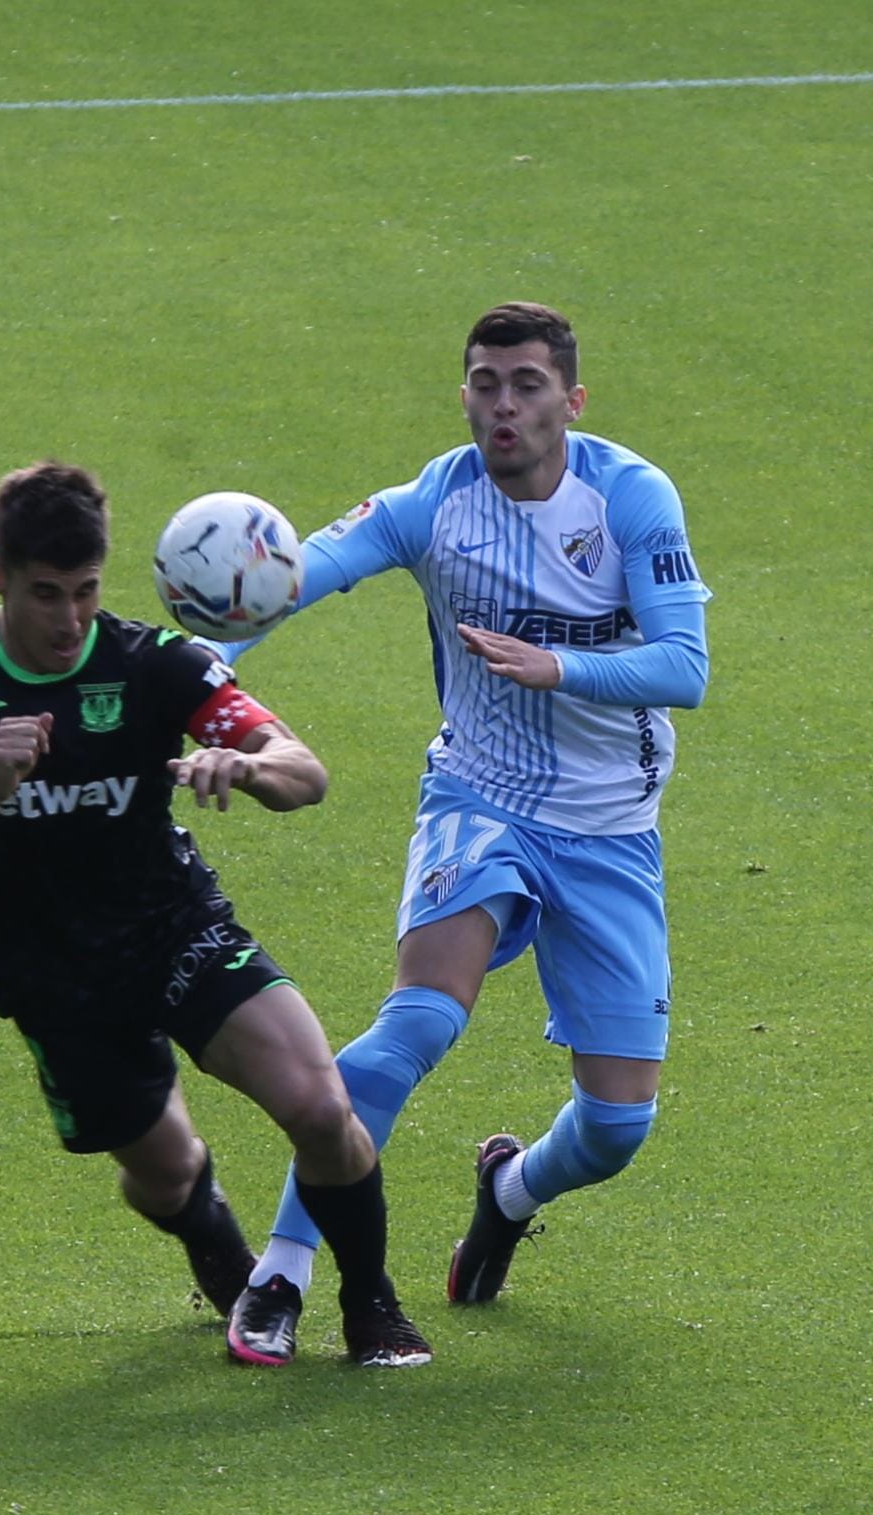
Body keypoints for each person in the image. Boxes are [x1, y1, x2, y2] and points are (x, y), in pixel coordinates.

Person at [219, 302, 711, 1366]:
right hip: (479, 801)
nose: (504, 404)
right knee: (416, 1027)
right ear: (465, 393)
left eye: (527, 383)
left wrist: (559, 665)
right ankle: (283, 1271)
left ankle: (509, 1188)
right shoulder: (433, 504)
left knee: (619, 1128)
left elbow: (686, 666)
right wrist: (203, 636)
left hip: (611, 826)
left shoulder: (630, 497)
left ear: (571, 401)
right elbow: (302, 574)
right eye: (485, 381)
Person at [0, 460, 431, 1367]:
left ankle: (373, 1310)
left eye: (86, 592)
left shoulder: (153, 663)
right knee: (162, 1173)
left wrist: (244, 767)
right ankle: (222, 1252)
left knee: (322, 1107)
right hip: (57, 975)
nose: (68, 620)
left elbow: (305, 772)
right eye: (45, 594)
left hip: (176, 929)